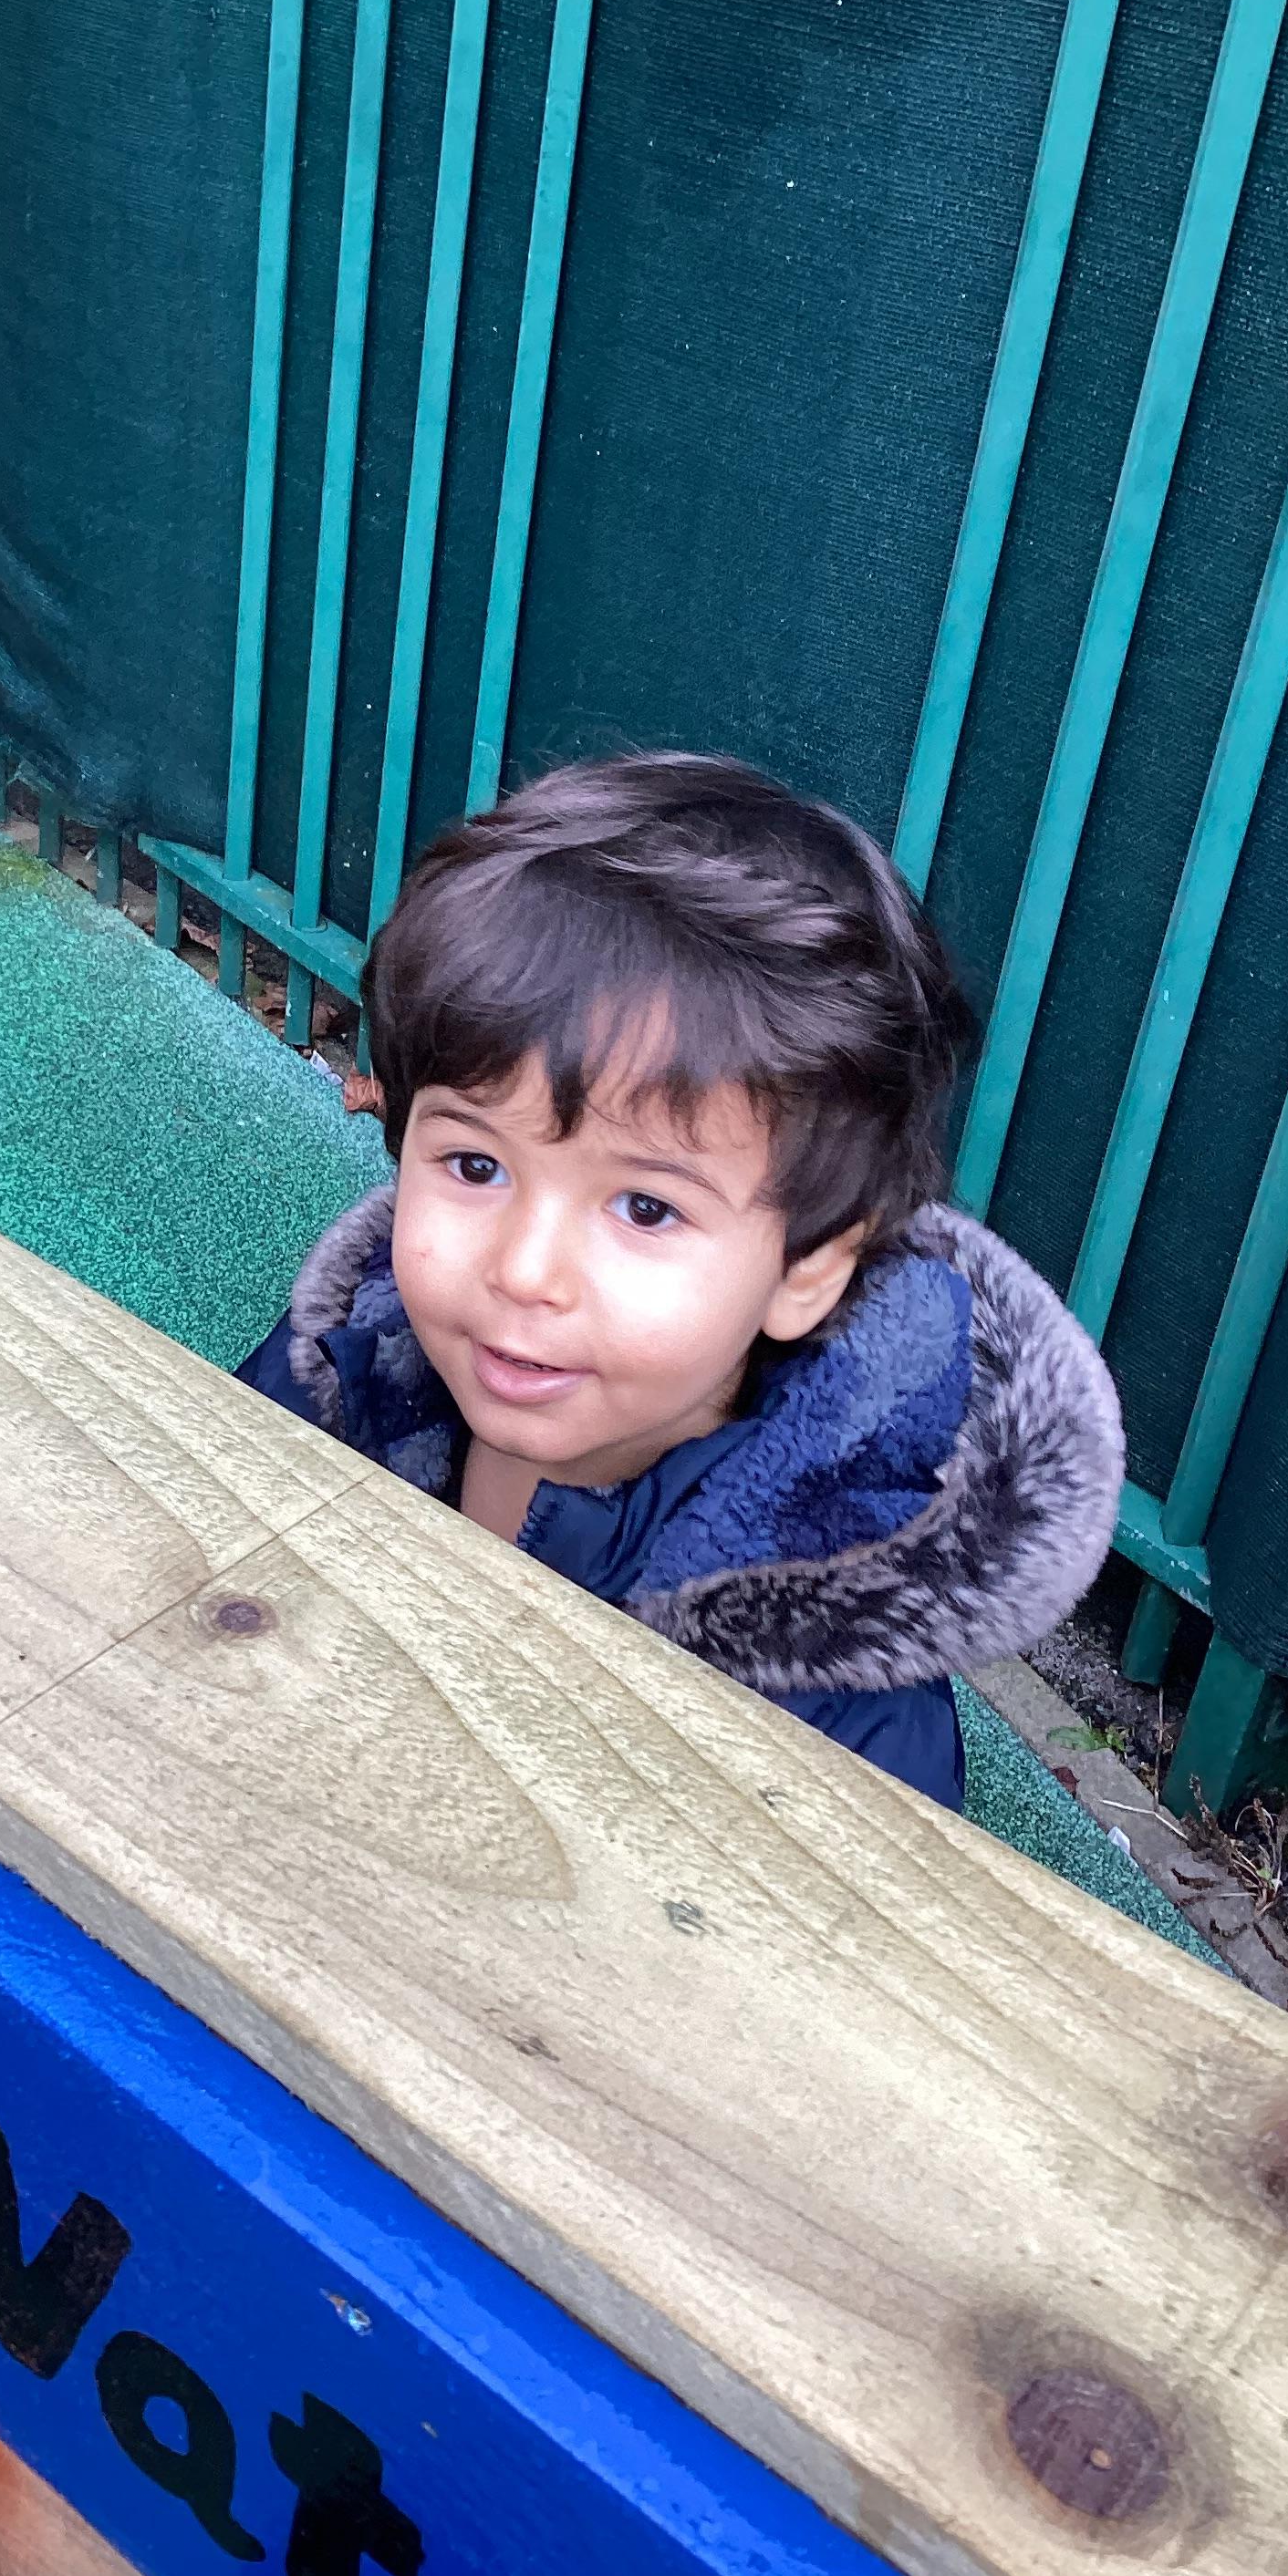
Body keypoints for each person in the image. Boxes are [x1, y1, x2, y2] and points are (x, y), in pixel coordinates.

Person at [238, 753, 1122, 1812]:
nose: (524, 1270)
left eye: (646, 1209)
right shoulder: (344, 1372)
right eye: (475, 1165)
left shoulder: (833, 1705)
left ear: (806, 1270)